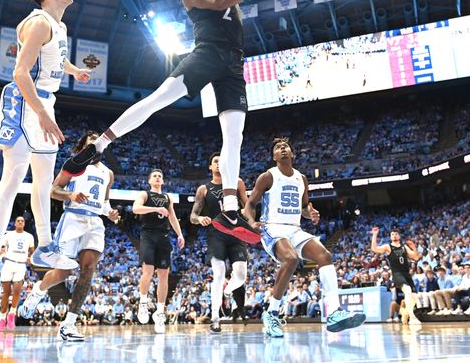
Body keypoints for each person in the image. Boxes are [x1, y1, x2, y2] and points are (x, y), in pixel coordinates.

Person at [64, 0, 287, 244]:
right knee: (157, 100)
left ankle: (229, 206)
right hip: (207, 54)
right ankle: (99, 146)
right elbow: (218, 5)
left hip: (233, 63)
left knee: (234, 135)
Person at [0, 0, 92, 294]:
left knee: (43, 182)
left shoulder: (59, 26)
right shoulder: (38, 22)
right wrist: (41, 114)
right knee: (14, 177)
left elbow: (58, 59)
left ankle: (44, 246)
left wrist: (75, 72)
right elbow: (20, 73)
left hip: (46, 103)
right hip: (24, 101)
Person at [244, 137, 365, 337]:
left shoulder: (302, 179)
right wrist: (251, 222)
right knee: (290, 259)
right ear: (274, 156)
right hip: (272, 227)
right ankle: (272, 312)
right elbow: (249, 204)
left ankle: (334, 312)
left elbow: (303, 208)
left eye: (286, 147)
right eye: (278, 148)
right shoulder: (267, 176)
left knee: (325, 256)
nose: (282, 148)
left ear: (292, 154)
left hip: (294, 228)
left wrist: (311, 213)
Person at [20, 132, 119, 341]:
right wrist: (70, 195)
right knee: (63, 273)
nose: (96, 145)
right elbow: (53, 190)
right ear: (83, 146)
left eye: (98, 142)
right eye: (91, 142)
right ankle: (37, 291)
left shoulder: (108, 173)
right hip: (73, 218)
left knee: (88, 270)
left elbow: (105, 201)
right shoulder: (74, 164)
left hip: (95, 222)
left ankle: (69, 324)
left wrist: (109, 212)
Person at [190, 153, 249, 332]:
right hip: (216, 235)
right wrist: (200, 219)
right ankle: (215, 318)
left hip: (236, 233)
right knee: (219, 273)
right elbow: (192, 216)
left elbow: (247, 207)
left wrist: (249, 217)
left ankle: (227, 291)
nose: (218, 164)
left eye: (221, 161)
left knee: (240, 275)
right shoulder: (204, 189)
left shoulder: (237, 182)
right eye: (215, 161)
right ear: (210, 167)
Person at [133, 169, 185, 334]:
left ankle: (160, 312)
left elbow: (173, 217)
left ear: (163, 181)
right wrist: (155, 210)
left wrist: (180, 234)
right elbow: (136, 209)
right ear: (149, 180)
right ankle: (143, 303)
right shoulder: (145, 194)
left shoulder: (167, 197)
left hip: (163, 237)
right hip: (148, 234)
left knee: (164, 275)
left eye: (160, 176)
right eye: (154, 176)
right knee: (147, 271)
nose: (157, 178)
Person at [371, 227, 422, 325]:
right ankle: (412, 317)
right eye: (392, 234)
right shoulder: (388, 246)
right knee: (407, 290)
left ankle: (404, 313)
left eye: (396, 234)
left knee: (414, 297)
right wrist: (374, 235)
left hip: (406, 274)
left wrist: (414, 248)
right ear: (390, 237)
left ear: (399, 236)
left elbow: (415, 257)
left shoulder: (404, 247)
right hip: (397, 273)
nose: (394, 235)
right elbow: (375, 249)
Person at [0, 216, 35, 331]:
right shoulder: (8, 235)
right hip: (8, 264)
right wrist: (2, 256)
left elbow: (33, 252)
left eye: (22, 221)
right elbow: (2, 248)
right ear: (15, 223)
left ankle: (12, 313)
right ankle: (2, 319)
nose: (20, 222)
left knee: (17, 289)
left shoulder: (29, 236)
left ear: (24, 223)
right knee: (6, 293)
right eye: (18, 220)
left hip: (21, 265)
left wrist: (31, 259)